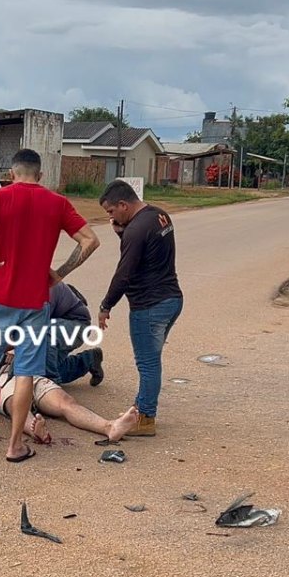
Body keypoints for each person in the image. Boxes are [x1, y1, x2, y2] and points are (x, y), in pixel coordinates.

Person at [0, 148, 100, 463]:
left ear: (12, 173)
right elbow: (91, 240)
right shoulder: (57, 203)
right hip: (37, 303)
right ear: (40, 176)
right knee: (26, 373)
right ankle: (14, 447)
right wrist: (60, 274)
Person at [97, 180, 183, 438]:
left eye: (111, 212)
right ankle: (141, 407)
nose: (110, 217)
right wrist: (123, 233)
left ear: (123, 205)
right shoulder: (159, 216)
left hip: (149, 306)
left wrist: (106, 305)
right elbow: (148, 252)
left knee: (148, 363)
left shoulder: (136, 231)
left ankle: (145, 417)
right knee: (151, 360)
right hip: (171, 299)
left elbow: (124, 273)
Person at [0, 344, 137, 445]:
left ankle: (109, 427)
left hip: (26, 375)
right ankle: (35, 429)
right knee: (15, 406)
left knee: (66, 402)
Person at [45, 281, 104, 386]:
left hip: (77, 325)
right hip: (56, 324)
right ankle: (88, 359)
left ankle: (50, 383)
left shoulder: (44, 287)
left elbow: (34, 328)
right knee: (46, 368)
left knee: (43, 335)